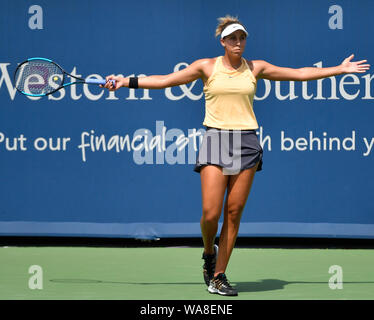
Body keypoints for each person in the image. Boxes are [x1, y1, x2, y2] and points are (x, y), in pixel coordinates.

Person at [102, 15, 370, 296]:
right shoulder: (206, 66)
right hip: (216, 139)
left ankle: (218, 275)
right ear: (223, 42)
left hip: (247, 142)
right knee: (210, 212)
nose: (238, 42)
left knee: (233, 213)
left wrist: (339, 70)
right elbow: (166, 80)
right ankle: (209, 251)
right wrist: (125, 81)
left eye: (242, 38)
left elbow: (299, 73)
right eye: (232, 38)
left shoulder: (256, 68)